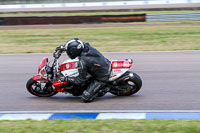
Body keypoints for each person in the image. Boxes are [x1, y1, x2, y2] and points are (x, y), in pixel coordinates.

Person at [60, 38, 111, 103]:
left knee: (85, 98)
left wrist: (66, 79)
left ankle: (104, 89)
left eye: (69, 51)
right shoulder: (85, 45)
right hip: (103, 63)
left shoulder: (83, 62)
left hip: (102, 77)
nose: (69, 53)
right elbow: (77, 43)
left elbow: (80, 80)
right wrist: (64, 48)